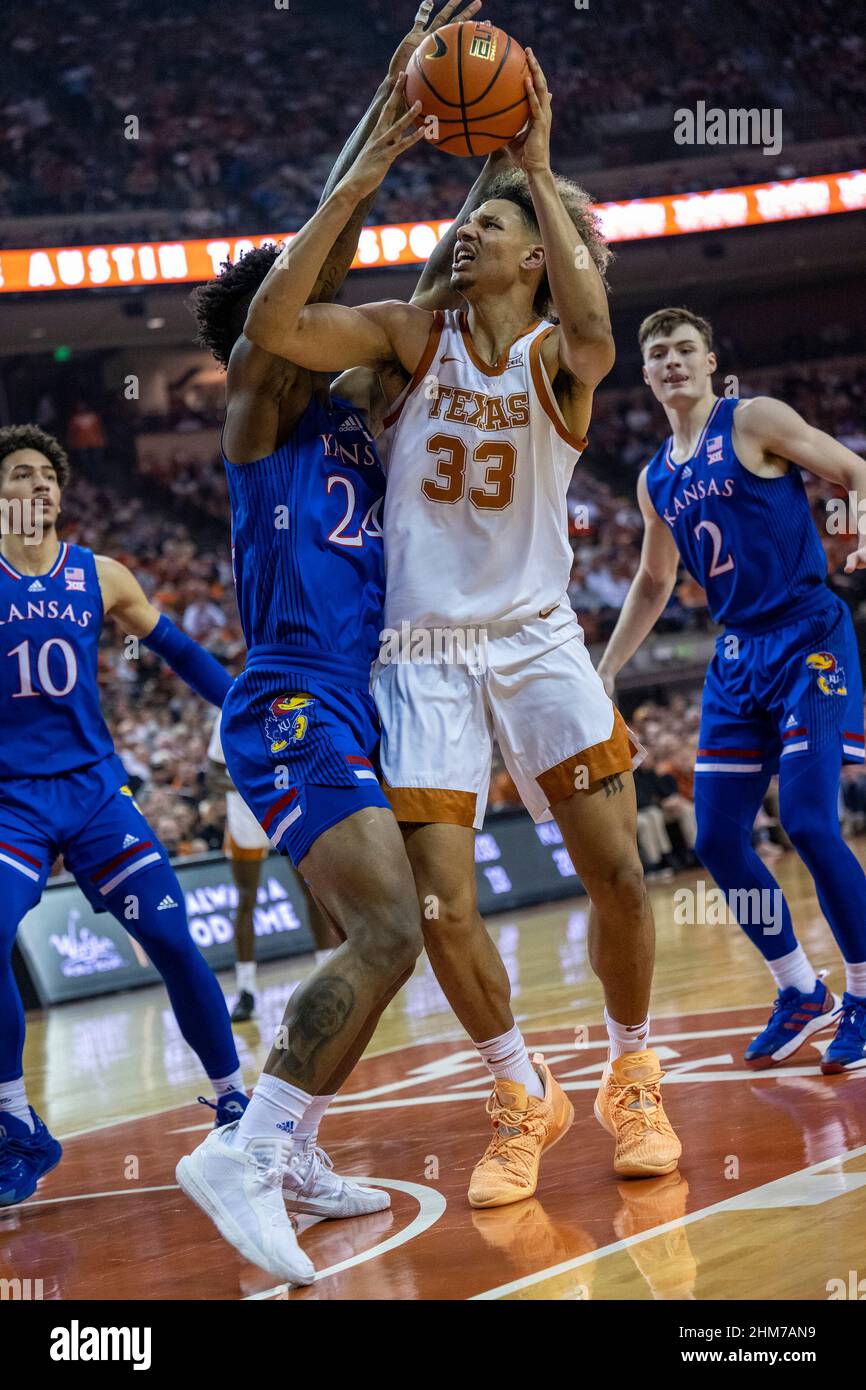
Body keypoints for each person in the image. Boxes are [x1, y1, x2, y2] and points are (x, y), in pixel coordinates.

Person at [242, 45, 682, 1206]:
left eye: (489, 226)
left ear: (539, 254)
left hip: (537, 640)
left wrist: (534, 164)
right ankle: (517, 1090)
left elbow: (595, 334)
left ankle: (630, 1072)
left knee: (620, 879)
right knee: (441, 907)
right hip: (422, 655)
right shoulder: (403, 337)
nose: (464, 236)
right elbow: (276, 327)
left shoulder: (559, 361)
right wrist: (363, 172)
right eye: (466, 224)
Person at [176, 1, 484, 1287]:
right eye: (303, 302)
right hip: (290, 701)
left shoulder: (356, 404)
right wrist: (362, 166)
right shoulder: (256, 413)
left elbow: (403, 280)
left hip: (354, 700)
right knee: (388, 936)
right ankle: (246, 1150)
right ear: (270, 332)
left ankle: (291, 1148)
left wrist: (407, 100)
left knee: (357, 943)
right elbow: (304, 274)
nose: (330, 307)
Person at [597, 305, 866, 1072]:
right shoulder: (654, 477)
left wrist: (860, 519)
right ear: (645, 375)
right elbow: (652, 582)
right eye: (658, 353)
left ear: (710, 360)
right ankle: (797, 987)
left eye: (685, 348)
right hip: (738, 658)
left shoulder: (752, 419)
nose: (672, 360)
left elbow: (852, 469)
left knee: (811, 823)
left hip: (809, 633)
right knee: (717, 839)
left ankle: (865, 996)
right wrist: (608, 667)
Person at [0, 424, 248, 1209]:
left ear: (62, 494)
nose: (35, 487)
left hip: (98, 794)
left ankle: (235, 1100)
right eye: (17, 476)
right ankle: (15, 1125)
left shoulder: (100, 576)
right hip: (12, 804)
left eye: (47, 476)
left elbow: (178, 652)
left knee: (172, 936)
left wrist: (246, 708)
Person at [206, 710, 339, 1023]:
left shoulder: (286, 703)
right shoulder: (230, 708)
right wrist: (249, 781)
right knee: (246, 899)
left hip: (284, 806)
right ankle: (246, 990)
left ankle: (325, 975)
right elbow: (212, 775)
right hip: (245, 816)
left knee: (312, 890)